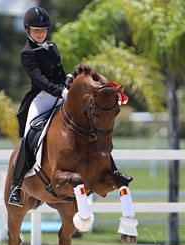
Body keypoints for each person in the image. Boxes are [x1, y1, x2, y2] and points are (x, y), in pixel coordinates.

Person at [8, 7, 132, 207]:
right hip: (41, 97)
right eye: (36, 30)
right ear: (28, 30)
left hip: (62, 94)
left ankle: (113, 170)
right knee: (31, 134)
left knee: (93, 126)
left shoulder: (52, 46)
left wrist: (68, 81)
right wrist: (60, 91)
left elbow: (58, 71)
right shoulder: (27, 53)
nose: (40, 33)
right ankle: (16, 184)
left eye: (43, 29)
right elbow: (39, 80)